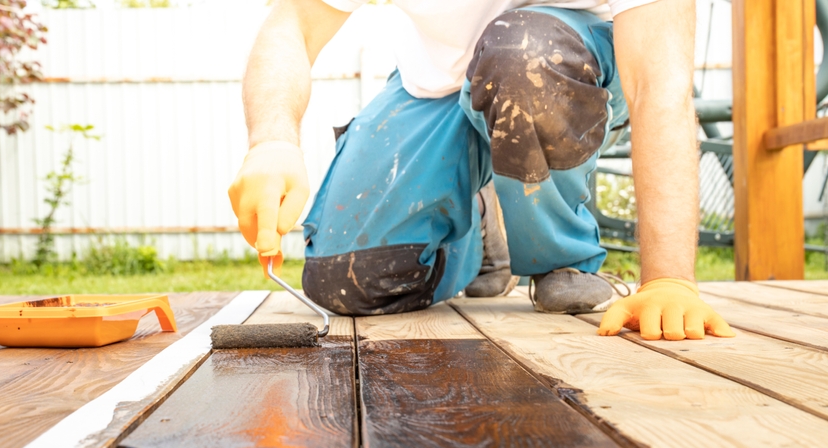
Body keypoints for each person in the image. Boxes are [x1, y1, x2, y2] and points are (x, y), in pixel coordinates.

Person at [227, 0, 735, 342]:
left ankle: (561, 257)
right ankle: (480, 229)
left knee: (522, 53)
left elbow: (660, 84)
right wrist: (270, 139)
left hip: (566, 65)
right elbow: (292, 20)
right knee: (348, 281)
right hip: (437, 84)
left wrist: (670, 279)